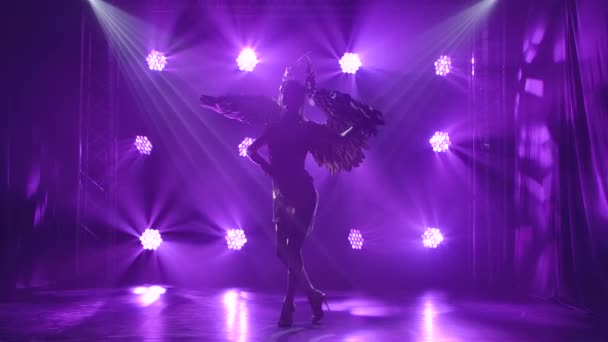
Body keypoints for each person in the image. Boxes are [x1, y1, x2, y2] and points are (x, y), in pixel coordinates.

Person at [200, 56, 383, 327]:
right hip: (281, 194)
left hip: (304, 193)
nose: (286, 101)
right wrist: (268, 169)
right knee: (281, 252)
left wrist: (357, 124)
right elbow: (251, 150)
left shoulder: (307, 129)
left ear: (298, 101)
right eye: (284, 96)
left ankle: (288, 306)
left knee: (293, 250)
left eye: (290, 97)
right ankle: (313, 295)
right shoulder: (275, 127)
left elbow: (337, 139)